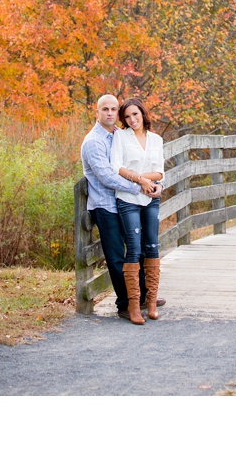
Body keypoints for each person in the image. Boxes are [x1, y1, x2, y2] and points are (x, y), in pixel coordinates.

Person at [81, 94, 163, 320]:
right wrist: (140, 186)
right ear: (97, 112)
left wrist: (153, 183)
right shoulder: (93, 142)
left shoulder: (119, 134)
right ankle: (125, 304)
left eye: (113, 109)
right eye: (104, 109)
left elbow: (143, 161)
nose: (109, 113)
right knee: (117, 256)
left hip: (124, 201)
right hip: (105, 205)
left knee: (138, 249)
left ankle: (143, 295)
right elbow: (107, 176)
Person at [110, 97, 165, 325]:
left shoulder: (156, 139)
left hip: (150, 197)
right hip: (128, 199)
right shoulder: (120, 137)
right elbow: (117, 167)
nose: (132, 120)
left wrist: (146, 181)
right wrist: (140, 180)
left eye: (135, 114)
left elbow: (160, 172)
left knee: (152, 245)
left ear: (143, 113)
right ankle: (134, 306)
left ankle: (151, 303)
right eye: (127, 117)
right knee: (133, 249)